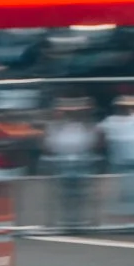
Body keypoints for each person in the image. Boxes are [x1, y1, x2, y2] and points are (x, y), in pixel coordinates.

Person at [44, 98, 99, 232]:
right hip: (62, 163)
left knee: (82, 194)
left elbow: (92, 142)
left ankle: (80, 219)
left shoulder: (87, 126)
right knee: (64, 194)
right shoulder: (54, 127)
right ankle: (66, 219)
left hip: (82, 162)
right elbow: (50, 145)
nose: (71, 115)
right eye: (68, 112)